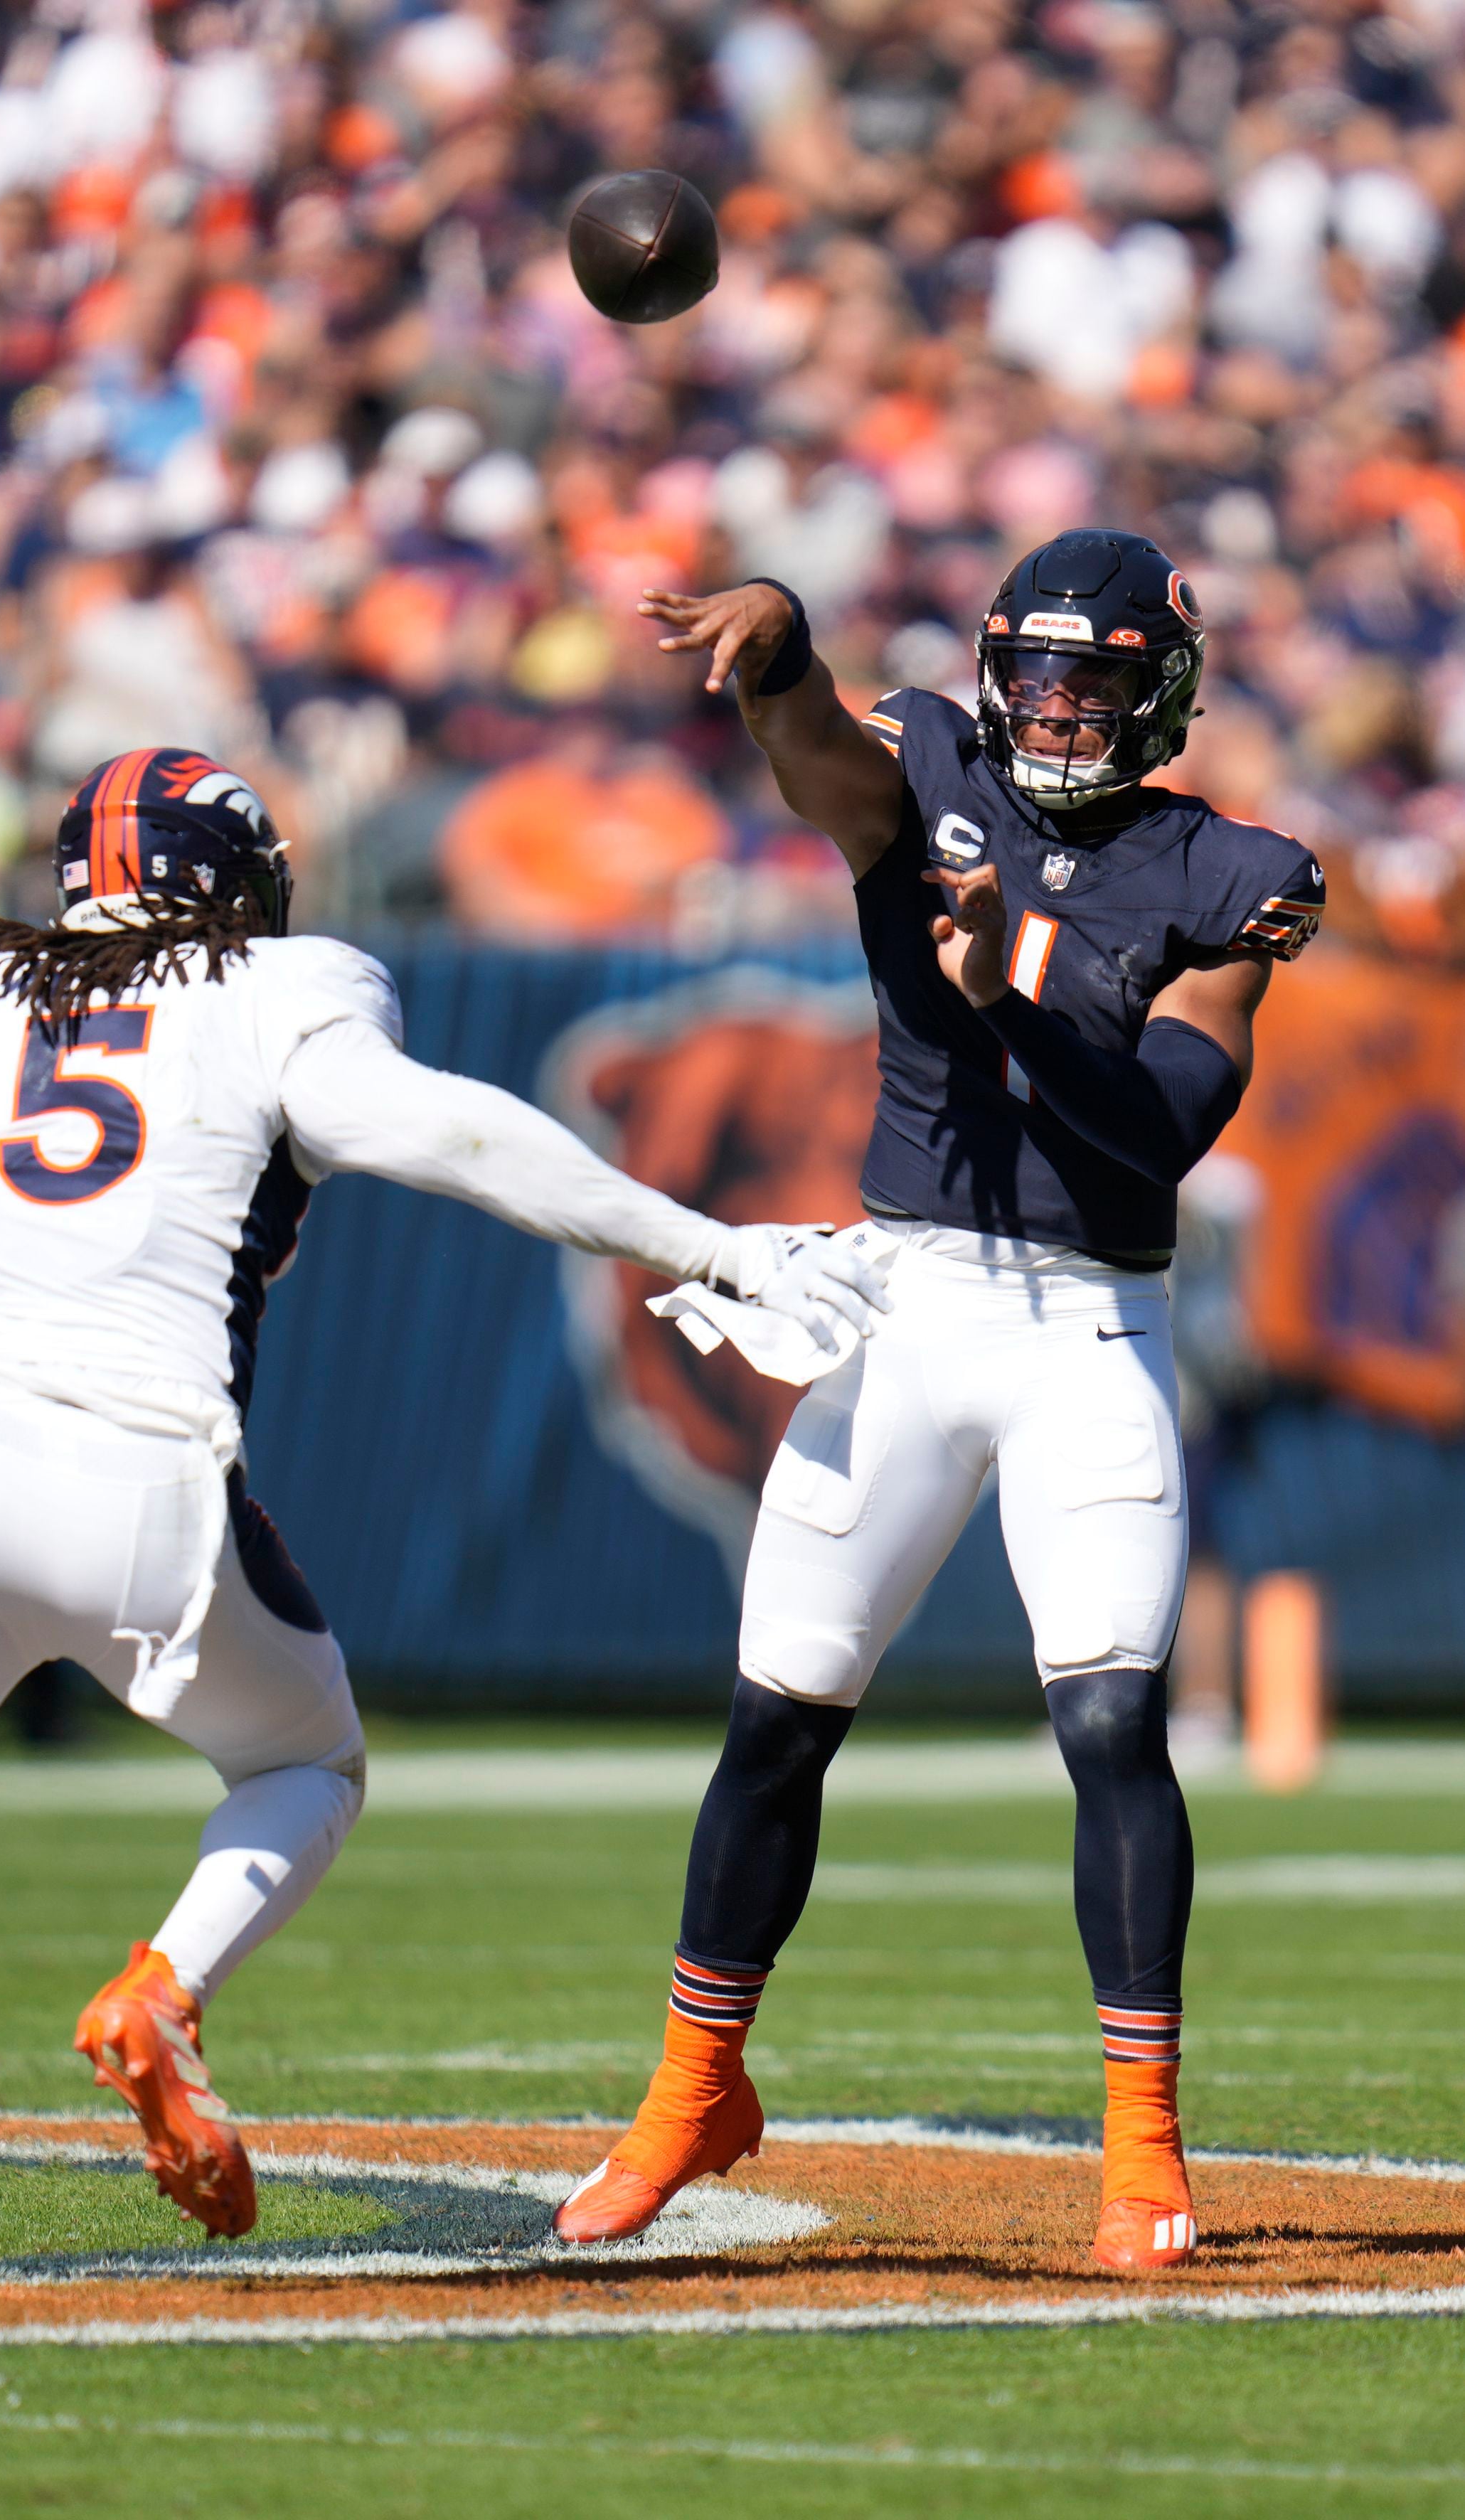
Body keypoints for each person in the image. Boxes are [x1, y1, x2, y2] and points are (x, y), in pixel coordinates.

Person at [0, 743, 888, 2284]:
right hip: (137, 1474)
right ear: (225, 881)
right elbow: (463, 1139)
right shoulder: (275, 990)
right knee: (307, 1759)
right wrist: (711, 1248)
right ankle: (163, 1983)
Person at [553, 532, 1325, 2273]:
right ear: (990, 669)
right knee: (777, 1716)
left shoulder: (1229, 873)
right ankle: (691, 2088)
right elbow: (821, 749)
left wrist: (1004, 1008)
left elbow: (1162, 1127)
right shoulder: (926, 771)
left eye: (1094, 683)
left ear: (1161, 700)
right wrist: (773, 655)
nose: (1055, 711)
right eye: (1036, 675)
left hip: (1085, 1326)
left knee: (1114, 1723)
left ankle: (1141, 2139)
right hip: (907, 1304)